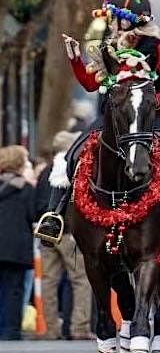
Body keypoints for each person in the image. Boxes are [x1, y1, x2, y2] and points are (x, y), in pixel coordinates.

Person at [34, 0, 160, 247]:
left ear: (135, 22)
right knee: (70, 155)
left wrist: (151, 103)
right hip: (111, 119)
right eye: (113, 18)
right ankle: (54, 215)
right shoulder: (108, 48)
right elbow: (90, 85)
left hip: (150, 118)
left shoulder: (157, 48)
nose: (114, 25)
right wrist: (75, 59)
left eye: (120, 19)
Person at [34, 131, 93, 340]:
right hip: (68, 232)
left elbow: (37, 202)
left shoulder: (43, 173)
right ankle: (79, 327)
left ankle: (51, 328)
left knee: (49, 280)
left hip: (45, 231)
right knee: (81, 279)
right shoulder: (69, 169)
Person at [0, 146, 35, 341]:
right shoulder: (25, 188)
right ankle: (10, 329)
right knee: (14, 290)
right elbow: (33, 214)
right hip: (16, 248)